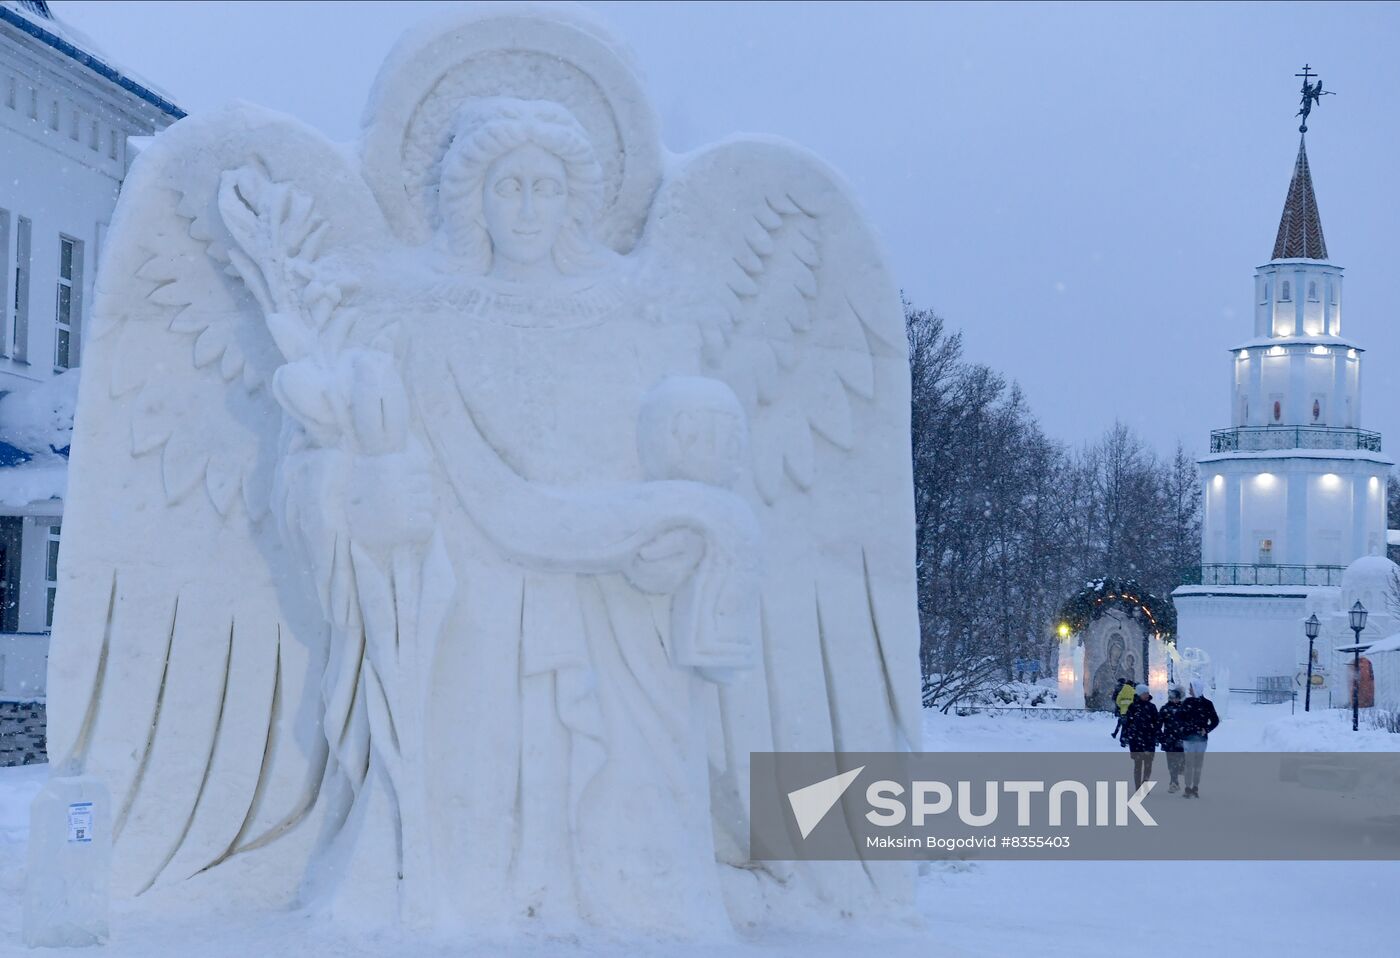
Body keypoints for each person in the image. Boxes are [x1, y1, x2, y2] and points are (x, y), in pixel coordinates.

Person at [1177, 680, 1220, 798]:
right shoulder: (1187, 702)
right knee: (1190, 764)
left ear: (1196, 689)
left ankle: (1194, 787)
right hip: (1188, 738)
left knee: (1196, 764)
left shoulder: (1207, 704)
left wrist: (1206, 729)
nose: (1189, 690)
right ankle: (1188, 787)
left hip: (1200, 739)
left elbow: (1215, 720)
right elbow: (1179, 717)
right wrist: (1185, 727)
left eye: (1191, 688)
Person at [1121, 683, 1160, 791]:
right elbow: (1127, 723)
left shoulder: (1152, 707)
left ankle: (1145, 784)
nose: (1146, 695)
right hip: (1136, 740)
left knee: (1148, 765)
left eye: (1147, 693)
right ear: (1139, 694)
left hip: (1149, 740)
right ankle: (1138, 787)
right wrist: (1125, 736)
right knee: (1138, 765)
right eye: (1144, 693)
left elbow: (1157, 722)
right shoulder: (1133, 707)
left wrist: (1157, 735)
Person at [1158, 686, 1187, 793]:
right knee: (1171, 763)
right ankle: (1173, 782)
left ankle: (1181, 770)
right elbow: (1158, 725)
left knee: (1181, 760)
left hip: (1181, 740)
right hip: (1169, 740)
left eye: (1176, 698)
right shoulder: (1165, 709)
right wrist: (1161, 738)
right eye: (1172, 698)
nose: (1174, 700)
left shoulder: (1184, 708)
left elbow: (1189, 723)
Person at [1111, 677, 1135, 744]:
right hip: (1130, 711)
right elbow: (1135, 700)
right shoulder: (1133, 690)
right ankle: (1126, 737)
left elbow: (1116, 699)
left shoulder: (1120, 689)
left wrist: (1120, 706)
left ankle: (1118, 735)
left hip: (1122, 710)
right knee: (1128, 725)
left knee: (1122, 723)